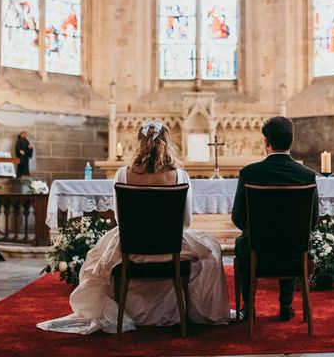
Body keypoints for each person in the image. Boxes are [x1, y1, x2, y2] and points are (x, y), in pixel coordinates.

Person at [38, 122, 229, 334]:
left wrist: (142, 234)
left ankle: (124, 313)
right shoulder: (180, 176)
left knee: (99, 259)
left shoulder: (122, 175)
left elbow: (121, 220)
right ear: (167, 143)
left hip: (132, 248)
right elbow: (186, 222)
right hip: (171, 248)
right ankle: (192, 312)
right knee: (211, 250)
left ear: (139, 143)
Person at [231, 116, 319, 322]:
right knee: (292, 241)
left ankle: (248, 308)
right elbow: (312, 221)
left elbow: (238, 217)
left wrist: (259, 232)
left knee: (245, 244)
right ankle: (286, 306)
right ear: (291, 141)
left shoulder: (249, 173)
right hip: (293, 252)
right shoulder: (307, 175)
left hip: (257, 250)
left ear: (266, 142)